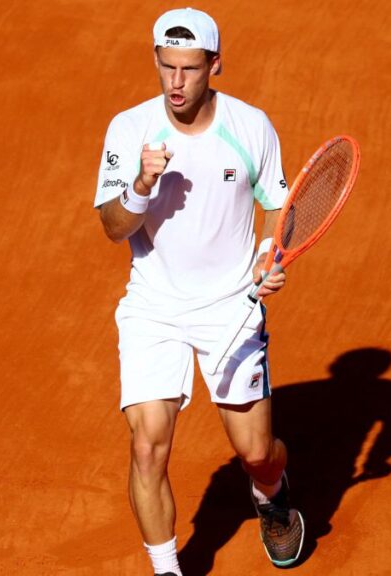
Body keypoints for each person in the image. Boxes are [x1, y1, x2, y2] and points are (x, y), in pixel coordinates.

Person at [93, 8, 304, 575]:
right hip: (154, 306)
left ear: (216, 64)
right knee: (146, 446)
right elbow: (115, 227)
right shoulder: (129, 129)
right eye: (166, 68)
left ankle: (273, 495)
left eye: (189, 69)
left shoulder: (250, 126)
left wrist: (268, 258)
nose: (176, 83)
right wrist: (140, 185)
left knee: (256, 452)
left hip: (230, 306)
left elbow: (278, 203)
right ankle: (167, 570)